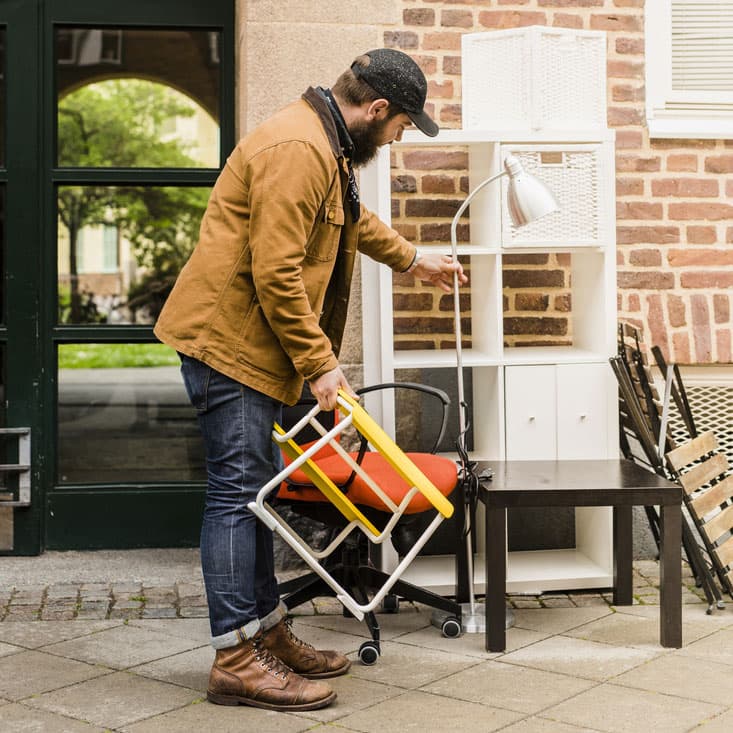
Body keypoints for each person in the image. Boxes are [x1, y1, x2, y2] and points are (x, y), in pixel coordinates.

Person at [153, 48, 467, 712]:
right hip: (229, 347)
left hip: (250, 348)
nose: (399, 137)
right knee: (238, 497)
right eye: (401, 126)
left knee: (252, 495)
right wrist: (321, 365)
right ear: (376, 109)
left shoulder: (325, 146)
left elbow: (352, 221)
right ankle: (237, 659)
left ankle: (265, 634)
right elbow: (276, 275)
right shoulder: (298, 149)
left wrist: (414, 260)